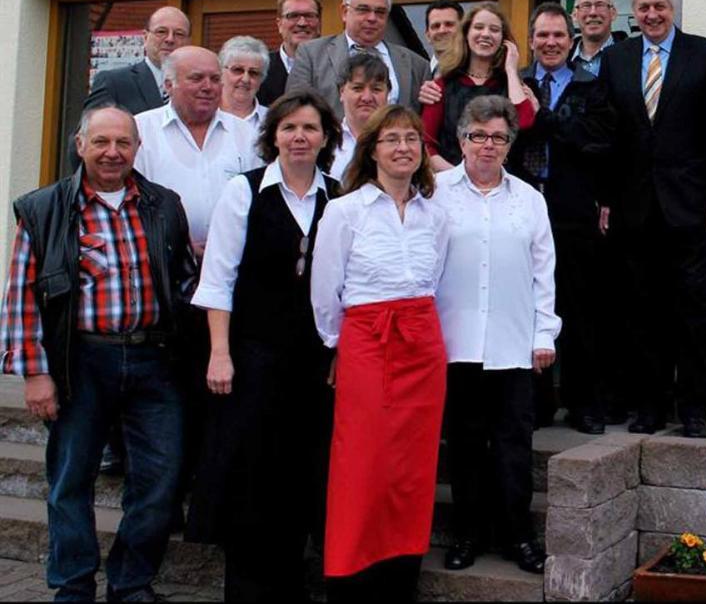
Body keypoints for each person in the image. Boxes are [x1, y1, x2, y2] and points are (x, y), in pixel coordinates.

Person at [0, 106, 197, 602]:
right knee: (70, 481)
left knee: (159, 480)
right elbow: (22, 295)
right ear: (80, 144)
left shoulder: (163, 204)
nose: (113, 153)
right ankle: (73, 584)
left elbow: (183, 282)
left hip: (155, 362)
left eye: (123, 143)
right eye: (102, 142)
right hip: (79, 363)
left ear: (136, 147)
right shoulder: (42, 209)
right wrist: (35, 373)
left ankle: (131, 582)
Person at [185, 91, 341, 601]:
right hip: (252, 358)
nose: (300, 137)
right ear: (273, 135)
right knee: (252, 476)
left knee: (300, 476)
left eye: (310, 128)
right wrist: (220, 352)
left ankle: (290, 587)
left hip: (313, 365)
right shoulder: (245, 191)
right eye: (289, 127)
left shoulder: (338, 196)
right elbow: (218, 277)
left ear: (325, 138)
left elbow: (346, 286)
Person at [311, 105, 448, 601]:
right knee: (362, 462)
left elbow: (437, 279)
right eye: (391, 139)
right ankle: (352, 576)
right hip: (367, 338)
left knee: (411, 466)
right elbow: (326, 290)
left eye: (412, 139)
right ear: (371, 151)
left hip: (423, 342)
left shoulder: (436, 214)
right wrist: (336, 346)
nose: (403, 148)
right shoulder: (344, 211)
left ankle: (400, 571)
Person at [598, 0, 706, 439]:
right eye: (643, 8)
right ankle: (650, 408)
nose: (652, 15)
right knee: (643, 312)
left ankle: (694, 409)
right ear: (632, 12)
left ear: (672, 9)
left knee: (693, 310)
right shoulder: (616, 60)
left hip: (693, 208)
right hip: (634, 208)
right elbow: (608, 136)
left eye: (659, 7)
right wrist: (605, 199)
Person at [436, 95, 558, 575]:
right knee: (464, 446)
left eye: (499, 137)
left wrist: (544, 334)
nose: (488, 146)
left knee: (512, 446)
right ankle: (466, 534)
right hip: (454, 342)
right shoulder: (435, 192)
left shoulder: (530, 200)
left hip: (513, 343)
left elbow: (544, 272)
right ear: (462, 139)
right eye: (479, 136)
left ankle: (517, 536)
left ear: (510, 144)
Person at [510, 3, 615, 434]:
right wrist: (521, 93)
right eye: (542, 35)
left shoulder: (591, 86)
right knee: (528, 308)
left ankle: (582, 404)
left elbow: (596, 143)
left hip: (573, 209)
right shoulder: (517, 86)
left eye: (558, 35)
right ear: (531, 41)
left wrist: (546, 117)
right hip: (522, 208)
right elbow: (515, 137)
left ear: (570, 40)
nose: (550, 43)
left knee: (578, 310)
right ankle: (536, 404)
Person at [134, 47, 263, 256]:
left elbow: (261, 201)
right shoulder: (140, 130)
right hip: (162, 263)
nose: (208, 87)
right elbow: (130, 201)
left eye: (214, 79)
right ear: (168, 85)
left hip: (234, 262)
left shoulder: (246, 134)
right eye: (196, 78)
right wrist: (177, 245)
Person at [286, 0, 431, 118]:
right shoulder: (311, 55)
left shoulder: (416, 65)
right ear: (344, 12)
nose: (372, 18)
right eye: (363, 9)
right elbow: (295, 112)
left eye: (380, 12)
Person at [420, 2, 535, 171]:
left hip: (501, 186)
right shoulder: (443, 85)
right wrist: (459, 178)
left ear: (504, 40)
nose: (486, 34)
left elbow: (524, 122)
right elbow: (425, 143)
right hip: (451, 185)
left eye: (494, 30)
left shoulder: (512, 85)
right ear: (466, 33)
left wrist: (511, 69)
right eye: (479, 27)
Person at [83, 6, 190, 115]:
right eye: (161, 32)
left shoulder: (199, 85)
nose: (170, 39)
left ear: (188, 42)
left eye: (179, 34)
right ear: (145, 37)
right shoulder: (114, 83)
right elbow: (89, 129)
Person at [329, 52, 391, 182]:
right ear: (342, 92)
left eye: (376, 89)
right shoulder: (326, 142)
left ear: (388, 94)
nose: (367, 98)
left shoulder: (403, 143)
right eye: (358, 88)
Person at [258, 0, 322, 106]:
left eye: (309, 15)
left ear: (319, 23)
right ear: (279, 24)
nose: (302, 23)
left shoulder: (335, 66)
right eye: (293, 16)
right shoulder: (261, 68)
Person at [218, 36, 269, 130]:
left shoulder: (273, 120)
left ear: (262, 79)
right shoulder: (205, 116)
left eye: (254, 73)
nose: (245, 79)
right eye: (238, 70)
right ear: (220, 72)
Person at [569, 0, 617, 76]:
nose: (593, 13)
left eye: (600, 5)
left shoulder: (631, 57)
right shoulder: (562, 60)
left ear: (613, 14)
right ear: (574, 15)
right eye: (586, 6)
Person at [424, 0, 463, 75]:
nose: (442, 30)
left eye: (449, 24)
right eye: (436, 26)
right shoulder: (417, 75)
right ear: (428, 36)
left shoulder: (478, 73)